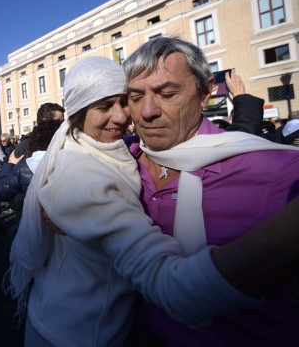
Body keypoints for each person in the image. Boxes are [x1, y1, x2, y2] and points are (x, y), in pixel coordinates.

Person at [7, 56, 299, 347]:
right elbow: (171, 286)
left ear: (204, 92)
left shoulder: (123, 150)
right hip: (75, 334)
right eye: (104, 106)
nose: (124, 116)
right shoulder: (80, 176)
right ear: (78, 112)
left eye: (125, 101)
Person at [123, 36, 299, 346]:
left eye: (167, 93)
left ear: (205, 93)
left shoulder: (278, 173)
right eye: (135, 97)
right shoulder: (123, 162)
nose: (147, 111)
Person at [0, 119, 62, 212]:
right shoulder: (74, 162)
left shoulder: (24, 166)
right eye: (2, 141)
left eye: (5, 141)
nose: (3, 142)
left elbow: (0, 191)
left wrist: (10, 164)